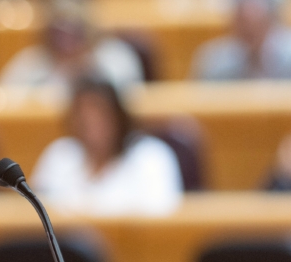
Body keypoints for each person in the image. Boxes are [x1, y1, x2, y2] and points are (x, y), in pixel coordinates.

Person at [31, 78, 183, 215]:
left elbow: (162, 223)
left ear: (118, 117)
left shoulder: (151, 157)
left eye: (99, 114)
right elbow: (34, 214)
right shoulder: (59, 155)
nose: (91, 122)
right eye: (82, 117)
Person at [0, 0, 143, 94]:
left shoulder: (115, 59)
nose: (66, 43)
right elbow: (6, 110)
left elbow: (130, 106)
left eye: (73, 32)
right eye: (58, 34)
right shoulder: (30, 65)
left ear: (89, 30)